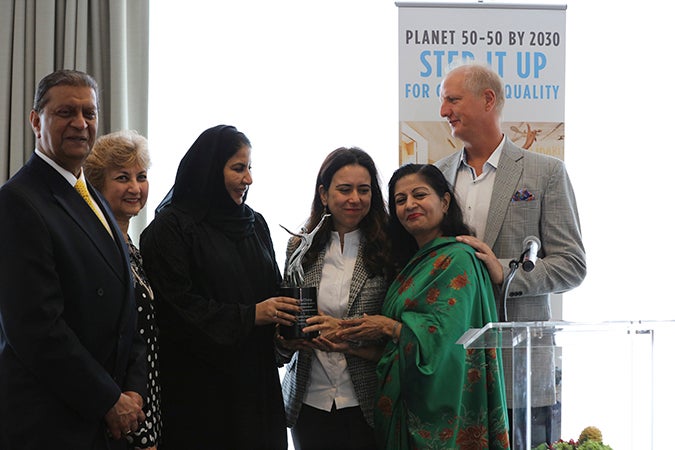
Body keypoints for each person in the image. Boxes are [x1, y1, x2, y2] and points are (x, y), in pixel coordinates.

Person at [435, 62, 586, 447]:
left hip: (520, 375)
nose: (443, 111)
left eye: (452, 100)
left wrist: (503, 273)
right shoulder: (435, 176)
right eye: (443, 102)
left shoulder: (545, 172)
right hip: (452, 368)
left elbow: (572, 265)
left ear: (488, 100)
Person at [0, 69, 146, 449]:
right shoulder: (17, 202)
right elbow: (35, 328)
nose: (81, 124)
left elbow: (125, 306)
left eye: (90, 113)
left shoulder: (89, 193)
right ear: (36, 120)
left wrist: (131, 391)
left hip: (103, 416)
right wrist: (108, 399)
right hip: (51, 422)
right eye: (66, 112)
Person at [139, 124, 300, 449]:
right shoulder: (170, 230)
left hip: (257, 389)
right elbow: (175, 311)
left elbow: (271, 292)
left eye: (250, 168)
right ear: (211, 171)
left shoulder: (256, 225)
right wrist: (251, 315)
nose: (249, 179)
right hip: (201, 394)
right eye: (238, 168)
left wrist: (288, 329)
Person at [339, 164, 510, 450]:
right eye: (400, 200)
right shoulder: (409, 263)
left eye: (420, 194)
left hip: (447, 408)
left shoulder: (458, 258)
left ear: (444, 201)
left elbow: (447, 342)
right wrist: (346, 342)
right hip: (406, 399)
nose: (410, 205)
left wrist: (388, 326)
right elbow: (398, 348)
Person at [277, 147, 390, 450]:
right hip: (309, 400)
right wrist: (286, 340)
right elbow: (284, 319)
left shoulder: (390, 247)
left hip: (367, 399)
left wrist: (343, 331)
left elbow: (396, 328)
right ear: (324, 194)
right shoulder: (299, 247)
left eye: (363, 190)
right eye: (345, 189)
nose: (355, 198)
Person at [84, 130, 161, 450]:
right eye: (122, 177)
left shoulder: (132, 246)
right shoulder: (92, 245)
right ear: (97, 186)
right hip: (116, 406)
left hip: (144, 397)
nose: (135, 187)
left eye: (141, 176)